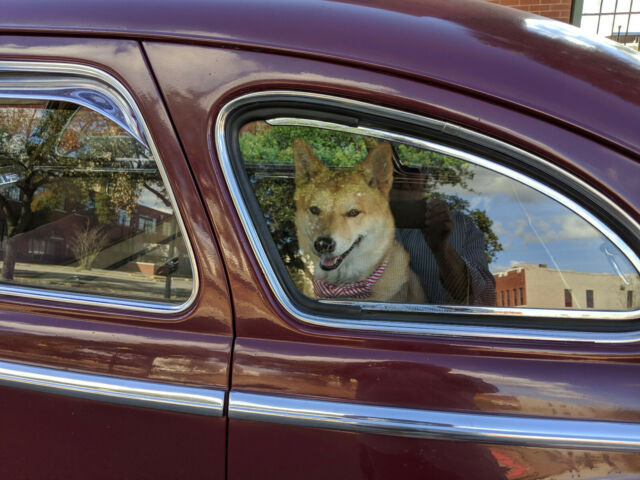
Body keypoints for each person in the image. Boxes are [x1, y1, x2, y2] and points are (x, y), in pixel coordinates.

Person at [391, 165, 496, 306]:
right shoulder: (355, 224)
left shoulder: (461, 226)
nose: (402, 177)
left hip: (442, 328)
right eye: (392, 170)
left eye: (411, 170)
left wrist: (442, 249)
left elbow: (483, 300)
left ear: (425, 178)